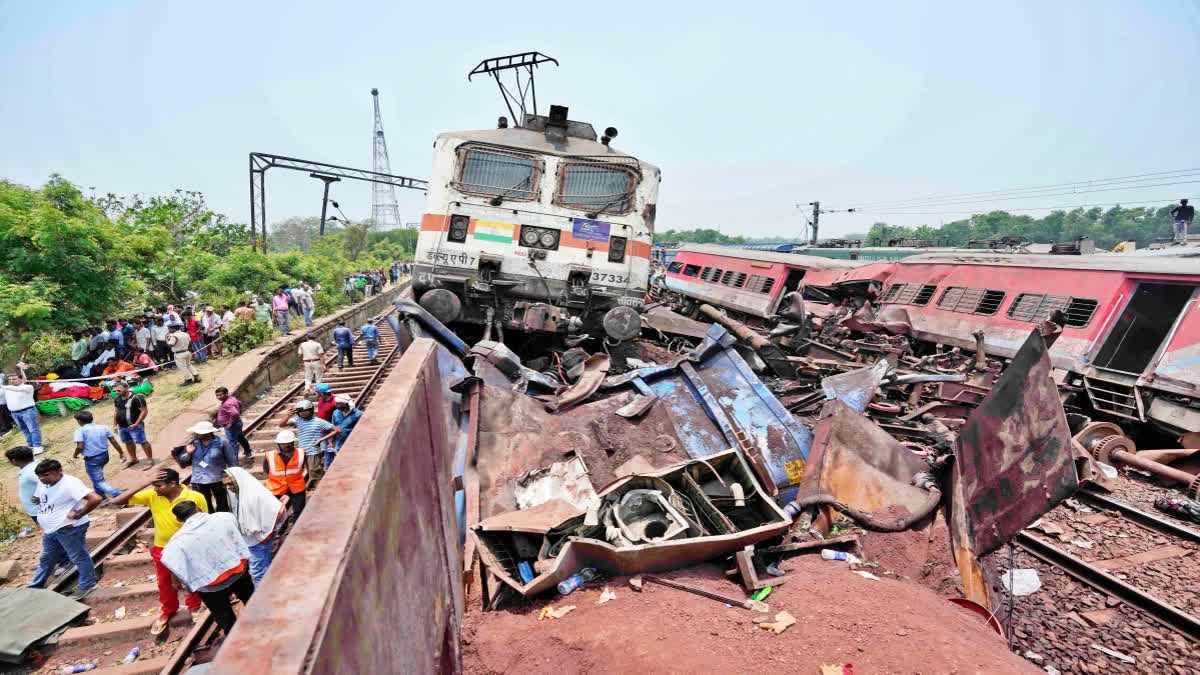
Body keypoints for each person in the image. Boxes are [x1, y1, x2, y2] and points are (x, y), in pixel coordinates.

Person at [112, 468, 208, 635]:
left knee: (190, 579)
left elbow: (205, 521)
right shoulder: (152, 496)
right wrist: (144, 483)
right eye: (153, 485)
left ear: (172, 484)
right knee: (164, 583)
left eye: (159, 485)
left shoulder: (196, 497)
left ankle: (194, 607)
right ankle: (167, 610)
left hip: (188, 547)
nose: (155, 488)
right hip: (162, 548)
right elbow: (117, 501)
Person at [161, 501, 254, 635]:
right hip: (237, 570)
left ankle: (234, 637)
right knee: (250, 596)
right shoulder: (224, 517)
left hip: (210, 585)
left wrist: (177, 580)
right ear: (198, 508)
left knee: (222, 613)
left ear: (178, 519)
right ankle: (261, 619)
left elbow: (168, 559)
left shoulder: (177, 542)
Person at [28, 460, 102, 599]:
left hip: (68, 528)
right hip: (51, 529)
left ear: (59, 471)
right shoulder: (43, 483)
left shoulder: (70, 483)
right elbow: (38, 498)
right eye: (40, 476)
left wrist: (79, 513)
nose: (43, 479)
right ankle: (35, 586)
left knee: (78, 556)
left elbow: (95, 499)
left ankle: (87, 585)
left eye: (46, 475)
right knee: (47, 558)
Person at [223, 466, 285, 585]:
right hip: (250, 540)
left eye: (230, 483)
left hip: (258, 542)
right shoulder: (238, 494)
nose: (228, 487)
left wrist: (267, 533)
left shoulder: (256, 494)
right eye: (225, 485)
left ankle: (262, 599)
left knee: (257, 574)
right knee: (263, 569)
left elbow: (279, 510)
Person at [184, 421, 237, 513]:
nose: (196, 434)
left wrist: (234, 476)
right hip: (198, 480)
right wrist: (188, 453)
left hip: (217, 479)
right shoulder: (193, 443)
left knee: (222, 505)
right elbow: (184, 462)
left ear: (207, 433)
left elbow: (231, 461)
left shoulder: (222, 442)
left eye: (198, 432)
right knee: (204, 506)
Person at [280, 400, 336, 487]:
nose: (302, 414)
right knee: (308, 470)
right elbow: (281, 425)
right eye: (300, 412)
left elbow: (336, 430)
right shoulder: (298, 420)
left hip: (313, 451)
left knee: (315, 471)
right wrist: (288, 415)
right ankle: (311, 484)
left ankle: (319, 487)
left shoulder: (319, 421)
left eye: (303, 412)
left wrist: (321, 439)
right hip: (302, 451)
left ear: (310, 411)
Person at [72, 410, 125, 498]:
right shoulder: (103, 427)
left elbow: (80, 446)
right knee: (96, 478)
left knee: (98, 481)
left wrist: (75, 454)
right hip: (104, 456)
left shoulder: (80, 431)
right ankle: (101, 496)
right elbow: (113, 441)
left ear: (80, 421)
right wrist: (121, 452)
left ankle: (117, 494)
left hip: (92, 459)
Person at [264, 430, 307, 522]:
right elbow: (267, 470)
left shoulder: (301, 453)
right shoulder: (270, 455)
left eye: (289, 443)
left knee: (299, 512)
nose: (287, 445)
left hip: (297, 487)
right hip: (277, 488)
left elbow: (303, 467)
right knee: (277, 513)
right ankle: (281, 526)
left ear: (293, 442)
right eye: (284, 444)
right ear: (279, 444)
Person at [2, 371, 43, 455]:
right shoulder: (7, 389)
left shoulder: (27, 387)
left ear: (20, 379)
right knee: (25, 430)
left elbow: (17, 389)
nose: (12, 381)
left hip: (27, 411)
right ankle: (31, 446)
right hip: (14, 413)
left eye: (14, 379)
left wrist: (3, 386)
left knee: (33, 429)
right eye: (10, 379)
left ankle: (37, 446)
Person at [114, 380, 153, 466]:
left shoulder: (137, 397)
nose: (117, 392)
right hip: (122, 427)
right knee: (128, 442)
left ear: (126, 388)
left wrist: (136, 424)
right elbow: (116, 412)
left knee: (143, 442)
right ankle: (134, 459)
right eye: (115, 391)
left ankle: (150, 459)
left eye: (119, 390)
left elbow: (144, 411)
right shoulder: (117, 399)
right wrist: (115, 425)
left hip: (135, 426)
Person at [6, 446, 41, 535]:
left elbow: (44, 482)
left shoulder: (30, 471)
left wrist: (37, 495)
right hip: (36, 509)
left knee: (50, 534)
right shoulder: (33, 466)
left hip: (39, 510)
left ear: (13, 461)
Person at [214, 386, 252, 458]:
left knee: (232, 443)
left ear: (226, 394)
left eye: (220, 395)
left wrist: (230, 423)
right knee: (240, 438)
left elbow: (235, 413)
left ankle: (234, 461)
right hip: (237, 423)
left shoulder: (227, 404)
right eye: (217, 395)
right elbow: (239, 404)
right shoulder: (232, 399)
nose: (219, 397)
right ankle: (248, 451)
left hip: (232, 426)